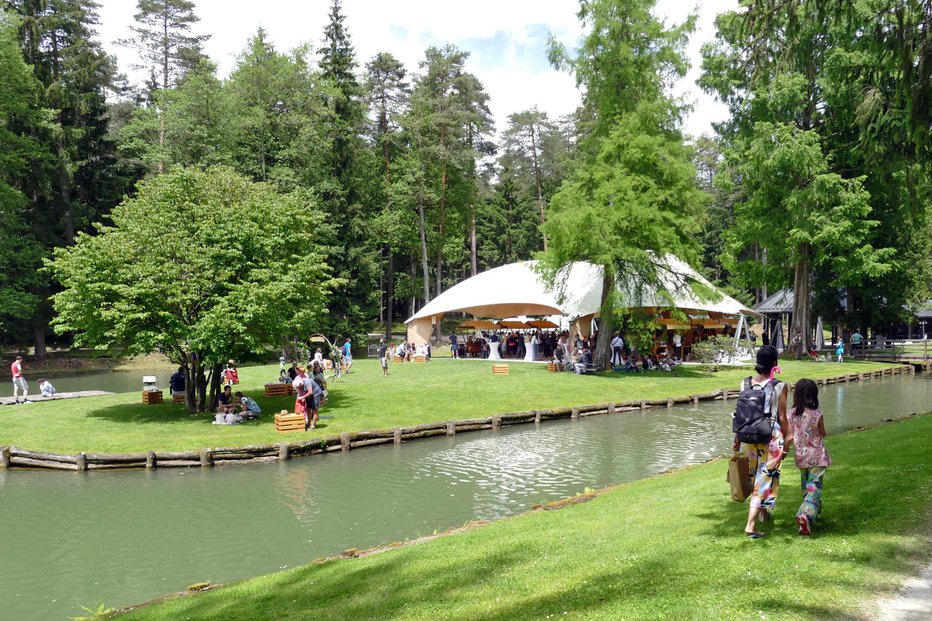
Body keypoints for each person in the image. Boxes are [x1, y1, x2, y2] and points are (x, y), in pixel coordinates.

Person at [735, 345, 791, 538]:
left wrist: (736, 438)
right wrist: (788, 437)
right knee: (764, 480)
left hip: (749, 437)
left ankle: (764, 514)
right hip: (771, 437)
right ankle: (750, 526)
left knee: (756, 475)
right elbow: (783, 417)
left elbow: (742, 414)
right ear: (774, 363)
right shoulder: (780, 386)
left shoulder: (745, 384)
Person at [788, 379, 831, 535]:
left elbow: (789, 436)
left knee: (806, 488)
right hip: (817, 457)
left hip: (801, 458)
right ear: (814, 394)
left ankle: (809, 519)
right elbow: (823, 432)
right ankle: (805, 515)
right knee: (814, 487)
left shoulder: (791, 414)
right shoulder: (817, 413)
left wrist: (783, 450)